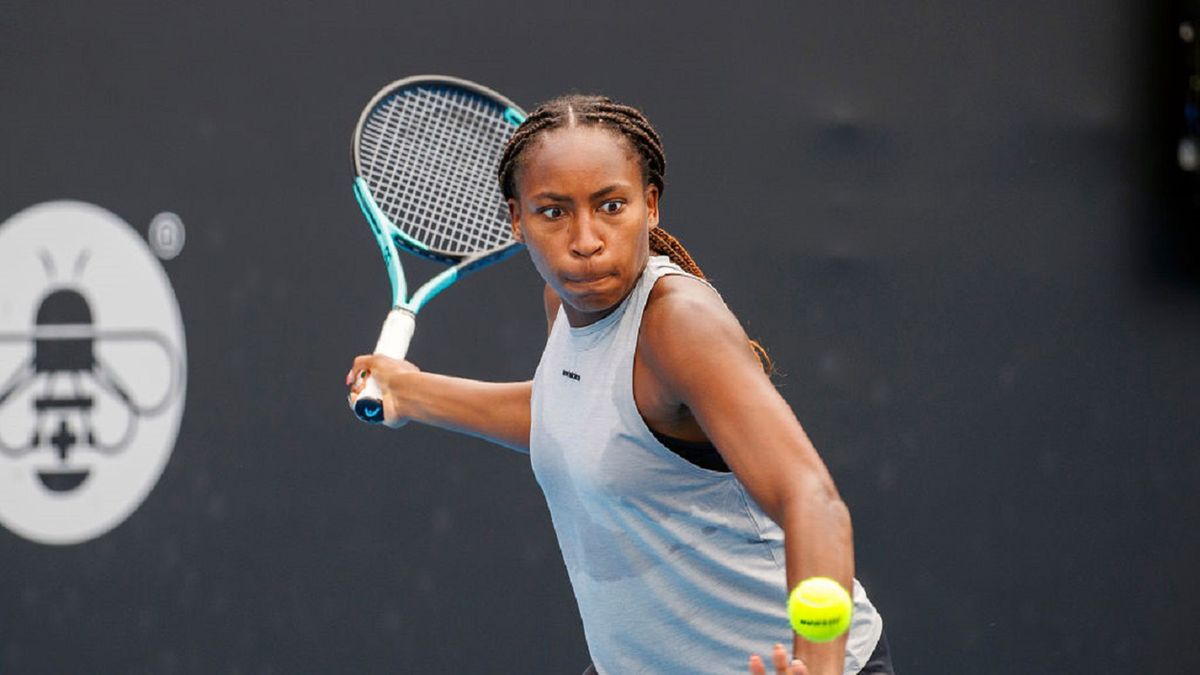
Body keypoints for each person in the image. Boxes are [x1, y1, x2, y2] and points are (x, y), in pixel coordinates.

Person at [347, 94, 893, 675]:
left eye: (611, 205)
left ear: (650, 206)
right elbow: (580, 415)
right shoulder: (562, 299)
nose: (586, 240)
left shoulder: (678, 323)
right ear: (516, 219)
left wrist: (821, 664)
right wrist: (414, 391)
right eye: (553, 212)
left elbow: (812, 498)